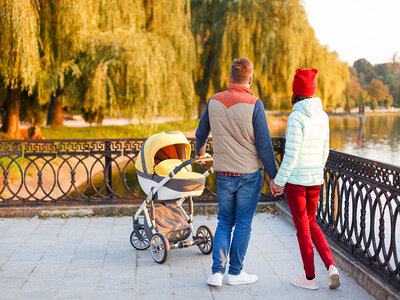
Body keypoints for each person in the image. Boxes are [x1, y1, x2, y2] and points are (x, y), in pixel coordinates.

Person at [195, 57, 282, 287]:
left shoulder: (214, 100)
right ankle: (235, 273)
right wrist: (273, 176)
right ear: (250, 80)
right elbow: (264, 146)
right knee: (243, 223)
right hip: (249, 174)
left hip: (224, 174)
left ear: (229, 78)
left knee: (224, 221)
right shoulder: (255, 104)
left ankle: (216, 273)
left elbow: (200, 133)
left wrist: (201, 153)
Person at [270, 68, 340, 290]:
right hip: (315, 179)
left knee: (303, 227)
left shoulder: (295, 117)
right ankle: (331, 266)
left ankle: (310, 278)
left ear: (295, 93)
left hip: (297, 182)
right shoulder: (323, 116)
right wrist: (316, 172)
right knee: (312, 222)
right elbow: (325, 151)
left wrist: (279, 182)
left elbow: (290, 156)